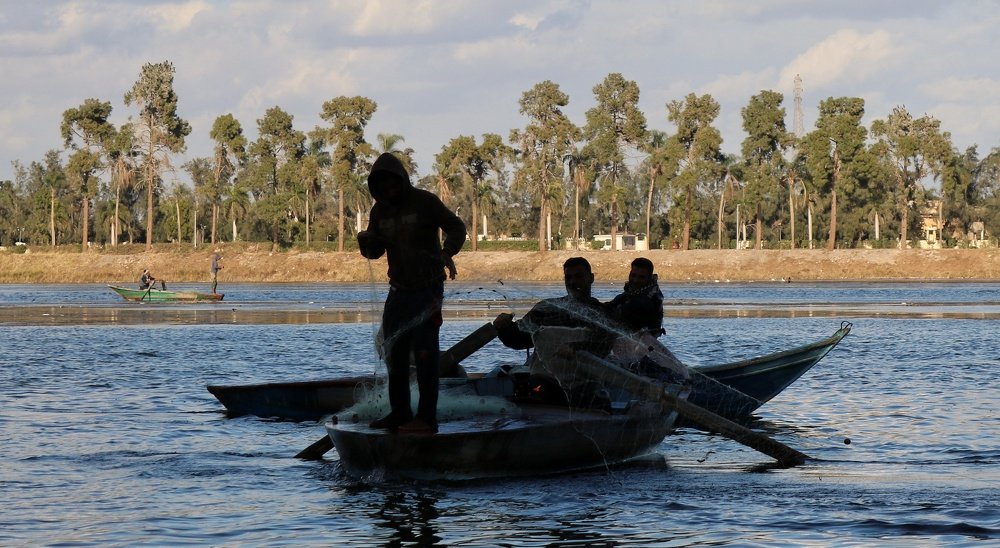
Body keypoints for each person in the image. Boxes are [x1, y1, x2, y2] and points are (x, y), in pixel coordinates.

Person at [357, 152, 466, 435]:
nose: (389, 191)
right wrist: (365, 242)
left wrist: (447, 252)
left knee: (426, 353)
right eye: (382, 188)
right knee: (394, 352)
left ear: (403, 181)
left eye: (393, 185)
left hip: (428, 288)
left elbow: (456, 227)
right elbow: (375, 252)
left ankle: (426, 419)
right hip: (398, 290)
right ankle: (400, 412)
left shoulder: (425, 202)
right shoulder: (379, 211)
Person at [605, 257, 664, 336]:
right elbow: (611, 305)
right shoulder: (632, 293)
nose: (635, 280)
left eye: (641, 277)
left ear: (649, 278)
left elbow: (622, 312)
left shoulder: (649, 299)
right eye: (633, 275)